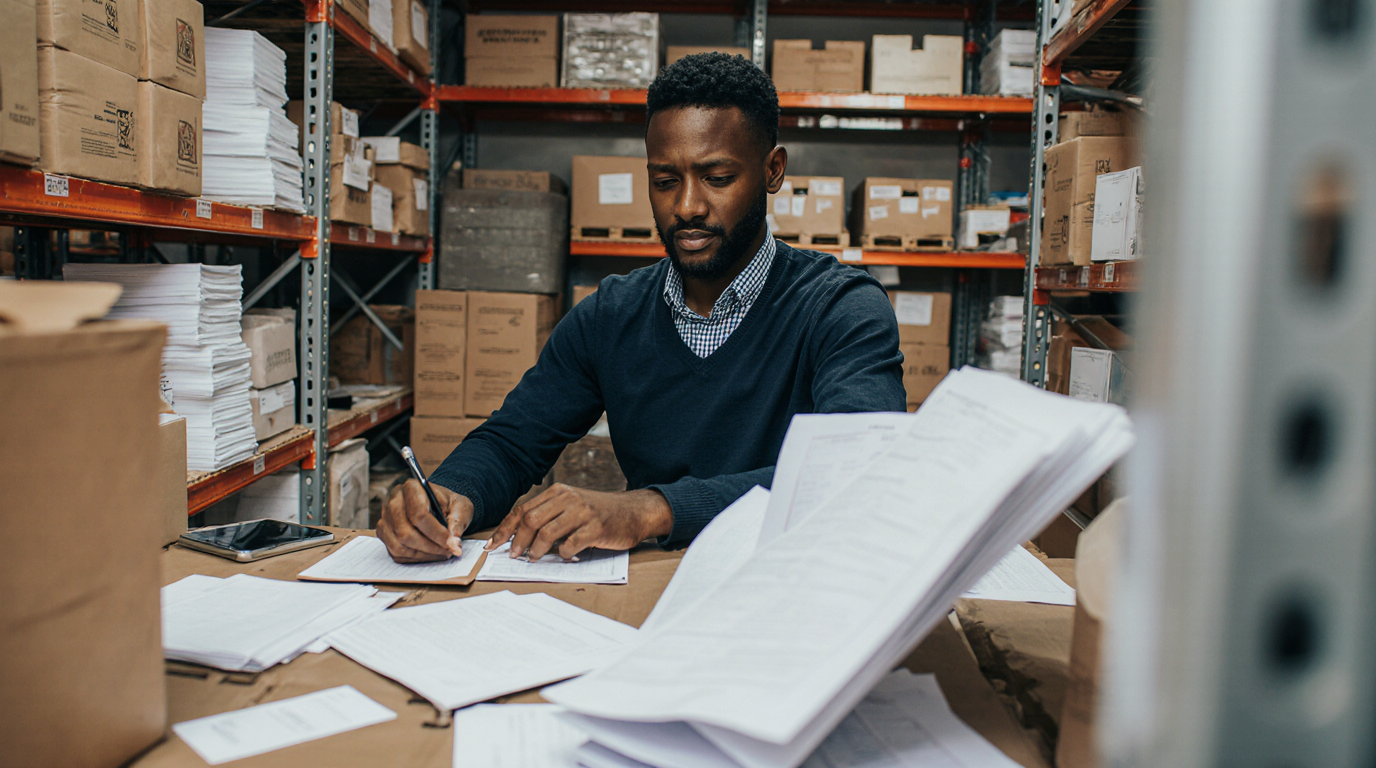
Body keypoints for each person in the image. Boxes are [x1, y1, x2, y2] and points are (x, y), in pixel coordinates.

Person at [379, 52, 905, 564]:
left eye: (717, 179)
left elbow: (857, 469)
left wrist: (650, 509)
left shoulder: (840, 307)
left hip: (795, 584)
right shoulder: (611, 315)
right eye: (664, 181)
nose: (687, 207)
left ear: (772, 170)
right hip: (649, 588)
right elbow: (514, 442)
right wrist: (449, 495)